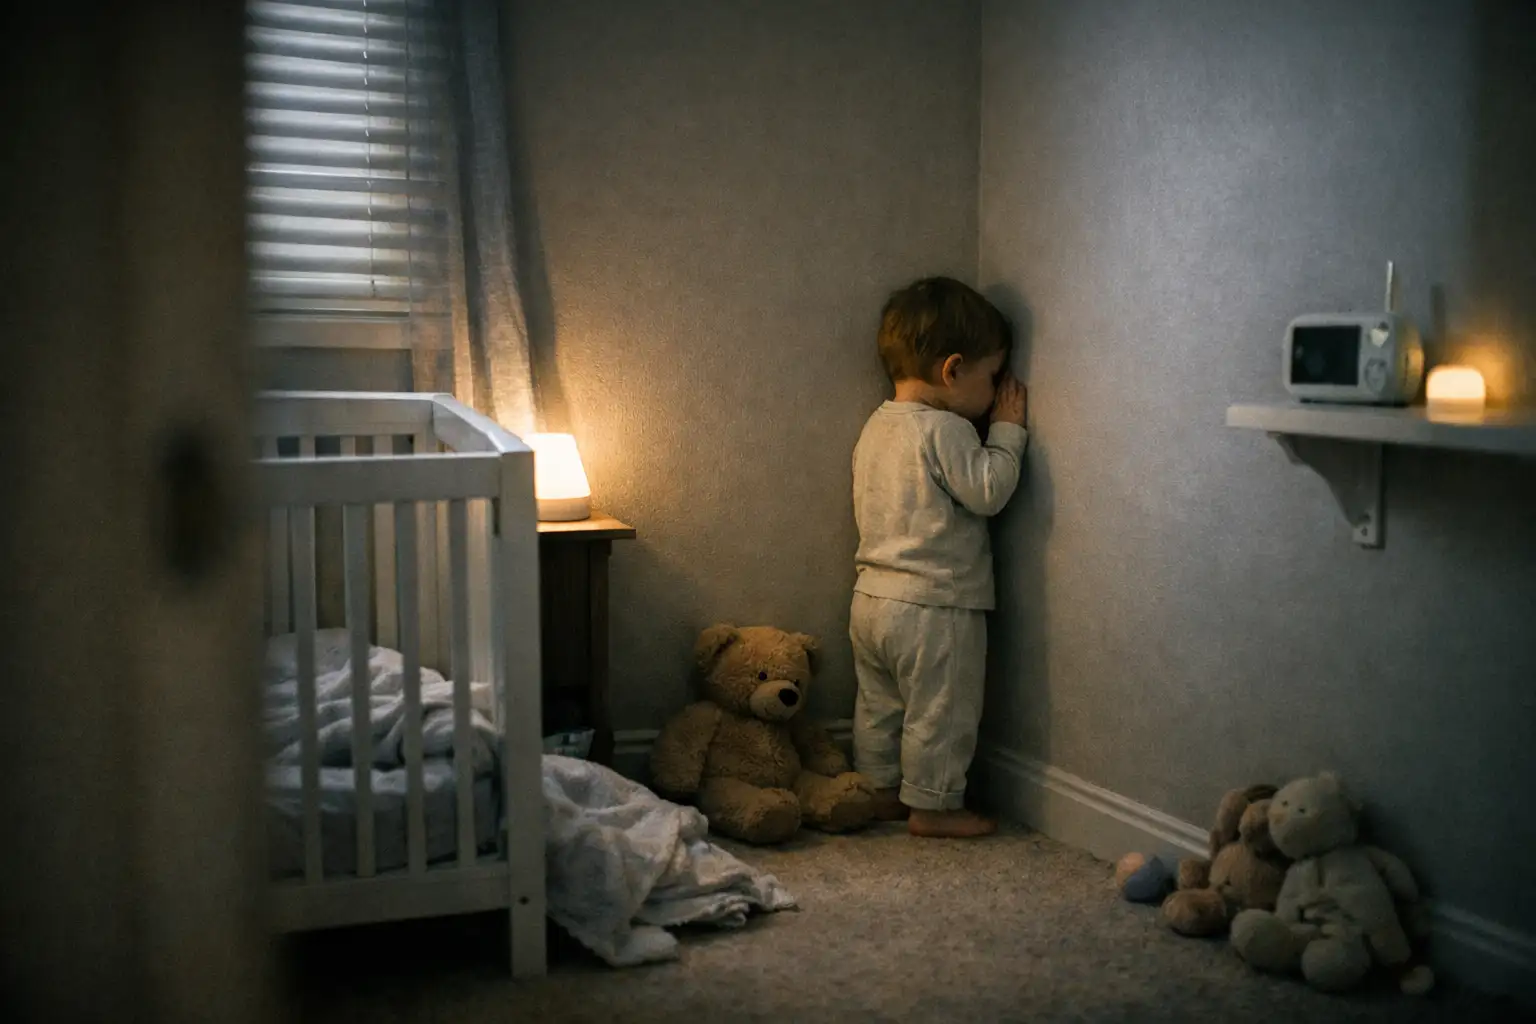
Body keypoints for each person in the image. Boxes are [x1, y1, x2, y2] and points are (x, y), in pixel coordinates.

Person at [849, 276, 1028, 838]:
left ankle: (879, 788)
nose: (994, 391)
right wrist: (1007, 432)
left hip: (872, 597)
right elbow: (988, 490)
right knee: (941, 710)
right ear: (953, 371)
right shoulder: (945, 428)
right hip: (935, 603)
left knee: (879, 703)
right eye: (991, 376)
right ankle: (934, 805)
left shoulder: (876, 426)